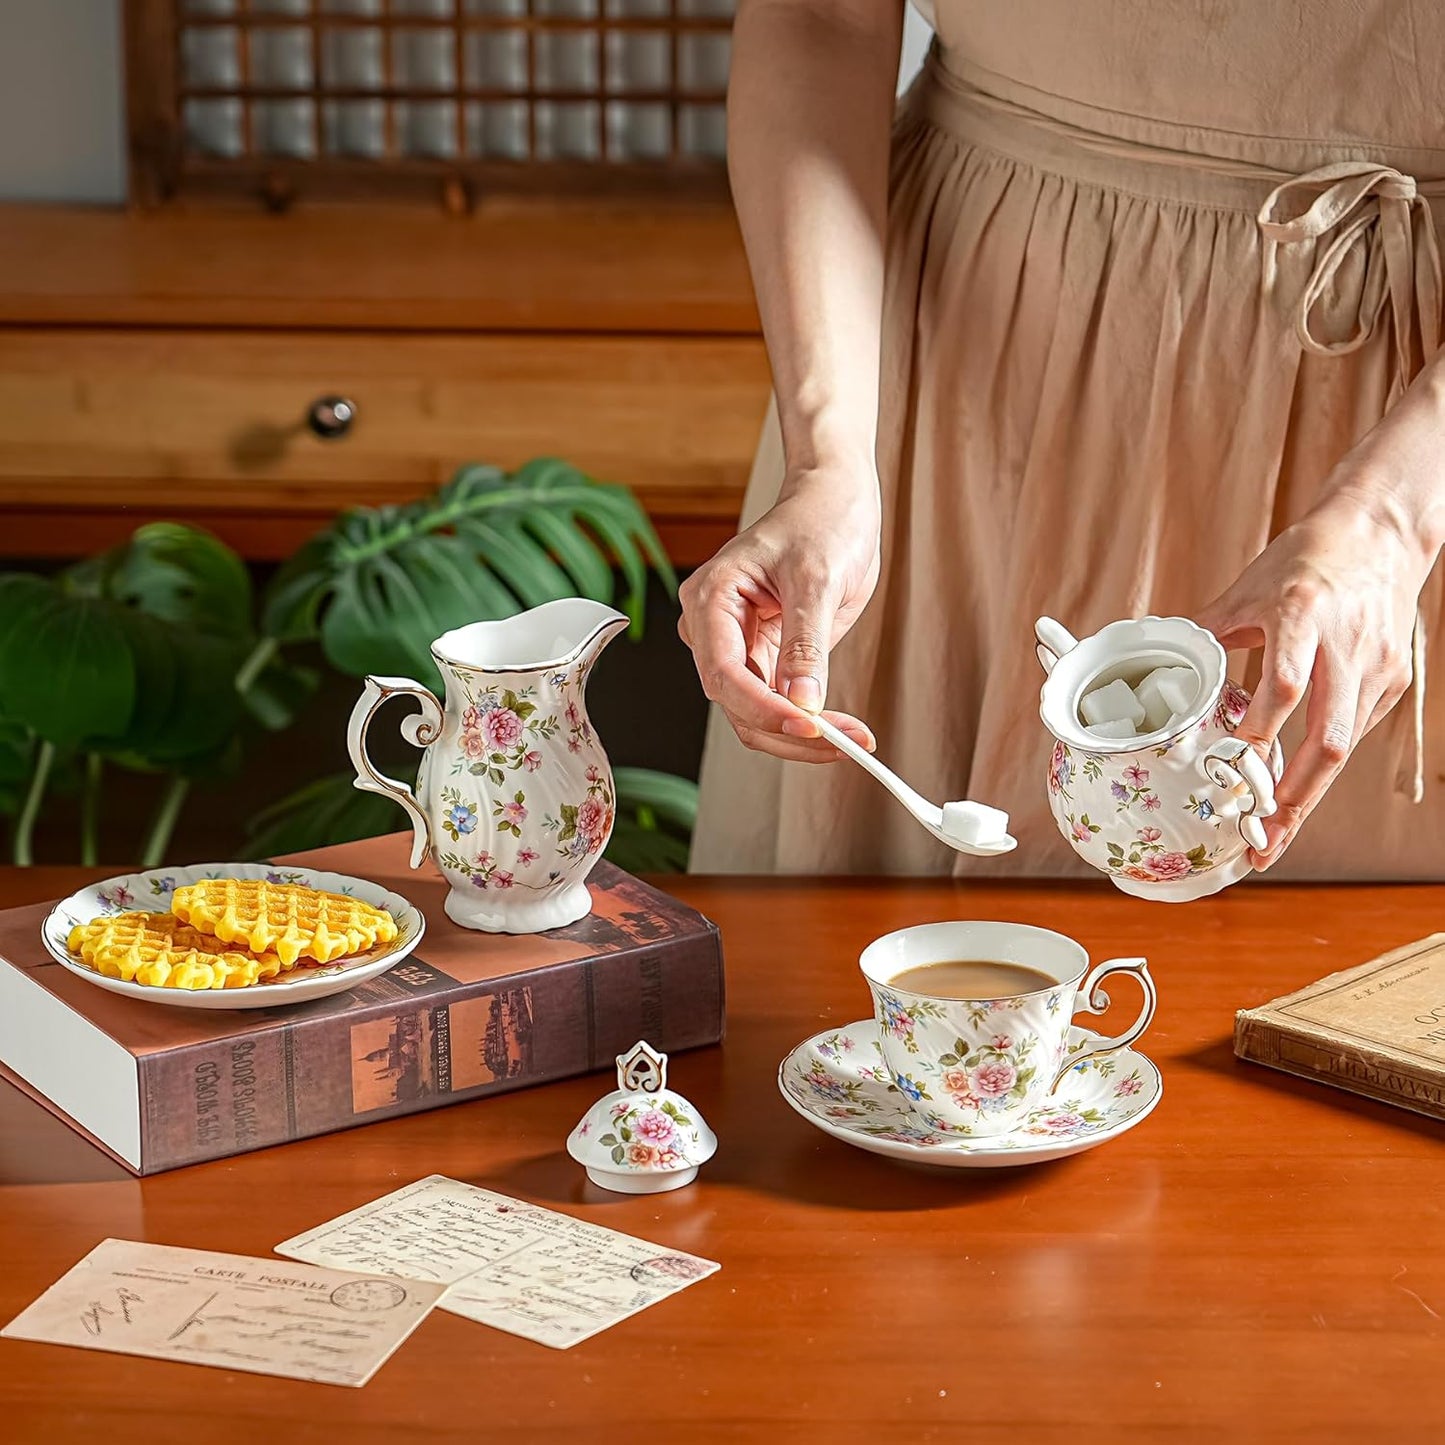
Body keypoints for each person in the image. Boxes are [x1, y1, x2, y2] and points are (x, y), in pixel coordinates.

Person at [680, 0, 1445, 880]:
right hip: (962, 378)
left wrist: (1393, 518)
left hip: (1405, 432)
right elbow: (821, 19)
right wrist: (827, 457)